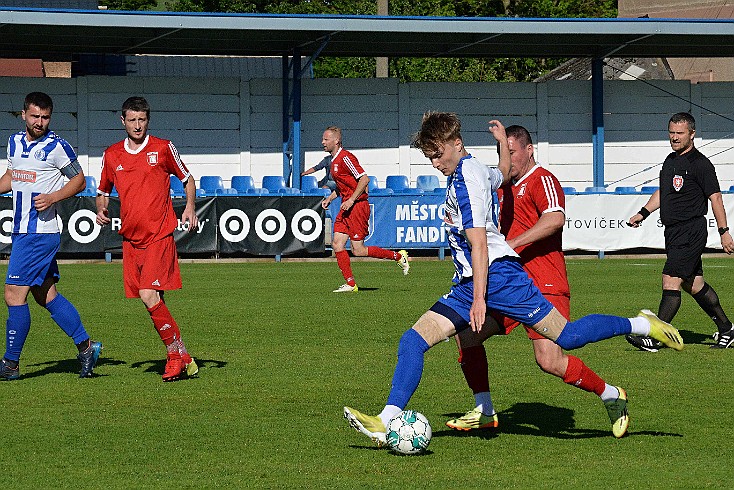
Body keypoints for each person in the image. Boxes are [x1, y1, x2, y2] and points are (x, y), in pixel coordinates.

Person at [343, 112, 683, 447]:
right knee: (413, 340)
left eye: (437, 155)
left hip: (500, 279)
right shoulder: (476, 166)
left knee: (567, 338)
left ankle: (639, 325)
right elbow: (503, 174)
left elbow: (479, 244)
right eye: (429, 157)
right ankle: (387, 420)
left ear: (455, 144)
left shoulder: (466, 181)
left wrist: (479, 299)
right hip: (469, 282)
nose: (434, 163)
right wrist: (502, 144)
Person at [444, 125, 628, 437]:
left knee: (550, 360)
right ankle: (485, 410)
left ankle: (611, 394)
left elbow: (555, 219)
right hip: (507, 283)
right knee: (467, 334)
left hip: (544, 281)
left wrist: (511, 244)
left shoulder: (542, 179)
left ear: (530, 150)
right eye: (505, 153)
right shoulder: (500, 188)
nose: (509, 159)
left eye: (513, 152)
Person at [95, 96, 199, 382]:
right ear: (123, 121)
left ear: (147, 120)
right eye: (132, 120)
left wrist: (189, 207)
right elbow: (102, 191)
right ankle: (183, 354)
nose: (137, 125)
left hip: (159, 234)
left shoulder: (163, 147)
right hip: (131, 239)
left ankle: (174, 357)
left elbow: (187, 178)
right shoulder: (112, 154)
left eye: (142, 120)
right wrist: (101, 208)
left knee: (148, 293)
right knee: (152, 300)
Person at [0, 91, 102, 380]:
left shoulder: (57, 146)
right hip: (22, 230)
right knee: (46, 295)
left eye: (45, 117)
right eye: (35, 116)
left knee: (12, 295)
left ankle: (10, 364)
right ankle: (87, 347)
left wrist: (54, 197)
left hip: (39, 232)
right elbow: (12, 176)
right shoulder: (15, 143)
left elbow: (79, 180)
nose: (39, 122)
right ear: (24, 115)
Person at [626, 112, 734, 351]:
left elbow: (715, 198)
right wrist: (643, 213)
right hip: (673, 232)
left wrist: (724, 231)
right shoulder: (670, 160)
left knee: (670, 280)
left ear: (692, 134)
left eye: (679, 133)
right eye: (671, 132)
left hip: (691, 230)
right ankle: (727, 329)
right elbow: (664, 193)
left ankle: (656, 337)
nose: (674, 138)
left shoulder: (701, 164)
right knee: (693, 284)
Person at [320, 126, 409, 292]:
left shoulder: (346, 158)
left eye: (326, 139)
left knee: (358, 250)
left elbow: (364, 179)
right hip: (346, 207)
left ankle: (398, 256)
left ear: (336, 141)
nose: (322, 142)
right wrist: (330, 199)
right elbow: (343, 186)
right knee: (337, 244)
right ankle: (351, 284)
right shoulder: (333, 162)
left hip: (357, 207)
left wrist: (352, 200)